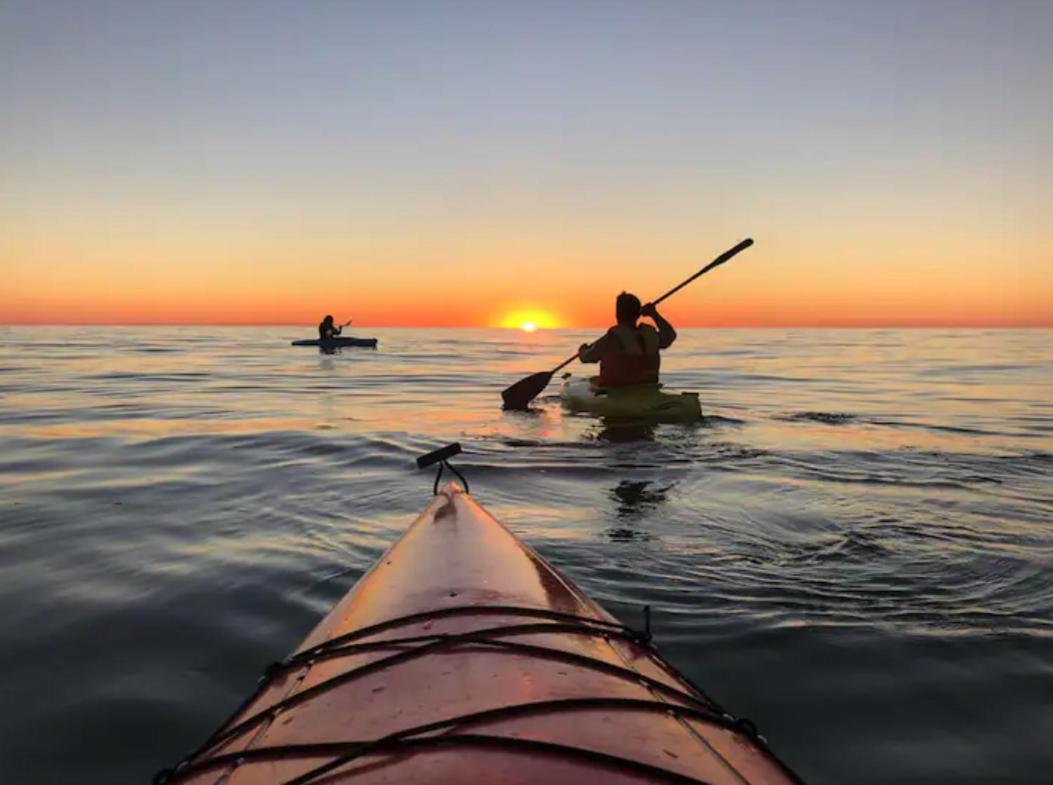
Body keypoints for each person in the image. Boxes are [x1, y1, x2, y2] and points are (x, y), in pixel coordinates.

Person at [578, 292, 676, 387]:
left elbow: (587, 357)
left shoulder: (613, 338)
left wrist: (582, 349)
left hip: (618, 392)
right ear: (638, 314)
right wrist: (654, 314)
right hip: (648, 388)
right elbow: (670, 335)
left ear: (617, 314)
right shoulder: (651, 335)